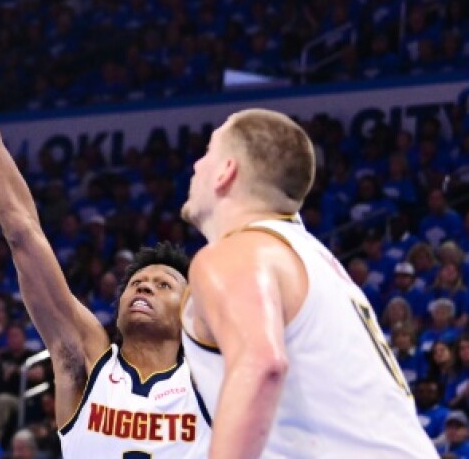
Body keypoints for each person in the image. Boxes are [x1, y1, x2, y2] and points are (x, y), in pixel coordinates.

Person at [0, 8, 210, 457]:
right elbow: (22, 229)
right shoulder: (87, 360)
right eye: (137, 283)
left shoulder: (209, 379)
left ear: (190, 310)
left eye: (163, 284)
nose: (144, 287)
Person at [178, 108, 437, 457]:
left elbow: (262, 365)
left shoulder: (237, 252)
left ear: (226, 171)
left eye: (208, 152)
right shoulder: (313, 259)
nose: (196, 165)